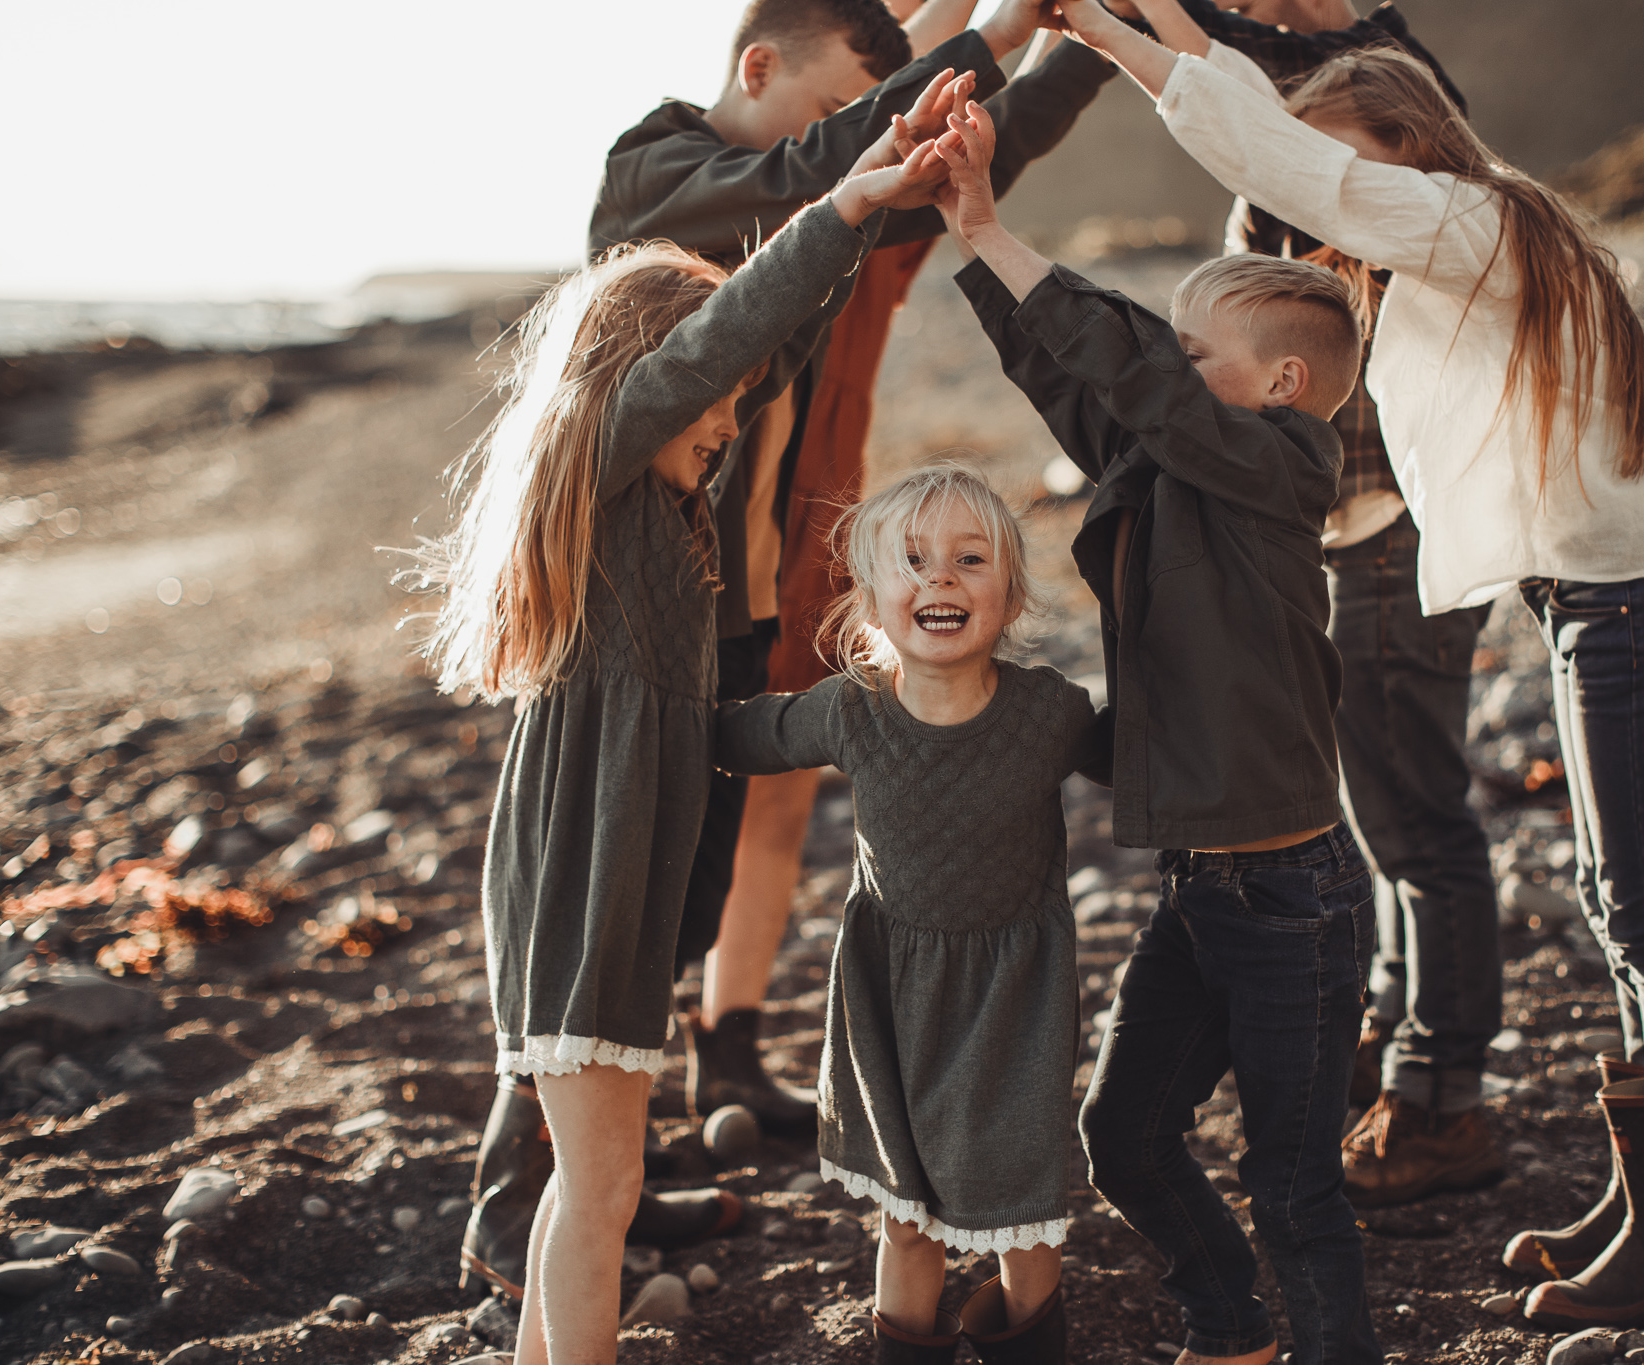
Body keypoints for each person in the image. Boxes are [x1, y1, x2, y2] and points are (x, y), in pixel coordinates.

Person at [1058, 0, 1644, 1329]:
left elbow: (1272, 156)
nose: (1333, 215)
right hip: (1608, 600)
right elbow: (1280, 147)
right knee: (1619, 902)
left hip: (1637, 606)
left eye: (1353, 169)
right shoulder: (1478, 230)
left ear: (1407, 144)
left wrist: (1108, 31)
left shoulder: (1462, 220)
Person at [460, 0, 1120, 1301]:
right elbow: (775, 232)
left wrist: (1076, 40)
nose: (842, 139)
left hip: (737, 604)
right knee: (586, 962)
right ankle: (530, 1203)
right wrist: (962, 41)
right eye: (827, 112)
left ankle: (617, 1176)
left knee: (680, 898)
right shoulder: (660, 175)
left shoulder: (791, 223)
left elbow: (939, 135)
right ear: (757, 68)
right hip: (638, 632)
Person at [412, 134, 950, 1364]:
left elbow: (760, 360)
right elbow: (720, 345)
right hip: (582, 891)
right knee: (600, 1195)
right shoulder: (602, 471)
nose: (729, 418)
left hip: (598, 887)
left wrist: (841, 720)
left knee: (585, 1189)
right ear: (643, 376)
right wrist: (847, 205)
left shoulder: (659, 513)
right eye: (708, 396)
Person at [942, 92, 1376, 1365]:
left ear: (1279, 386)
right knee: (1120, 1137)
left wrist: (1006, 231)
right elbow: (1085, 385)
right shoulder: (1176, 464)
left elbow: (1132, 369)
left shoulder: (1281, 468)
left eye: (1197, 356)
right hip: (1207, 891)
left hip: (1292, 899)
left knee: (1297, 1190)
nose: (1169, 373)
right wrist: (971, 239)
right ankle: (1228, 1331)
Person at [1170, 0, 1505, 1208]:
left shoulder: (1401, 150)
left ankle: (1441, 1096)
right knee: (1389, 823)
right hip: (1350, 542)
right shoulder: (1296, 175)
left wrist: (1162, 27)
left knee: (1418, 828)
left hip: (1397, 540)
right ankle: (1399, 1047)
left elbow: (1230, 69)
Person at [716, 463, 1106, 1365]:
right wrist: (648, 712)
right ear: (871, 600)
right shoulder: (852, 712)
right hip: (892, 1000)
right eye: (915, 560)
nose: (941, 577)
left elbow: (1149, 759)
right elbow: (742, 734)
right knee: (908, 1218)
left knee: (1027, 1215)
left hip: (1017, 1000)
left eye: (971, 559)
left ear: (1008, 597)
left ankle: (1030, 1348)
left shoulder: (1050, 712)